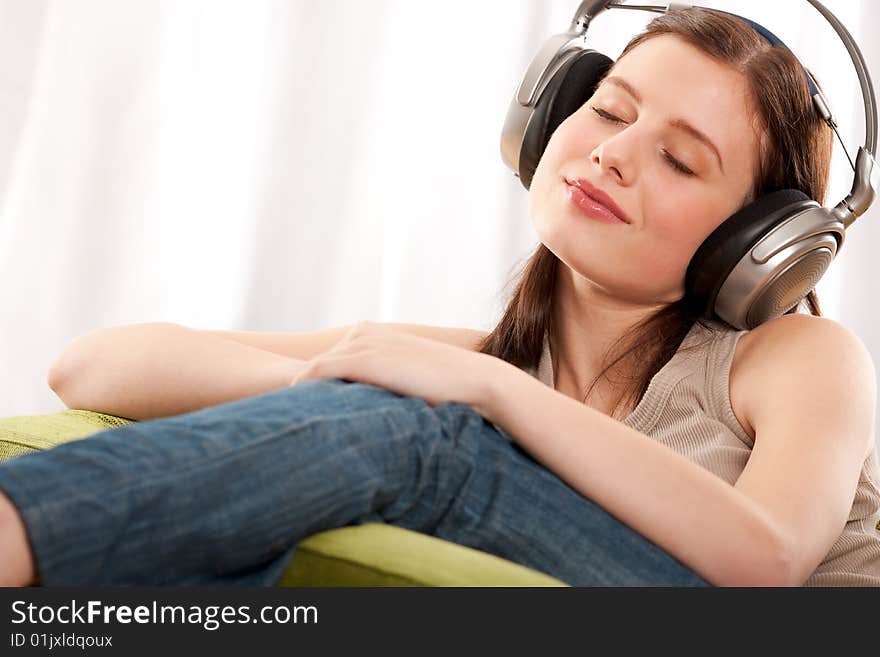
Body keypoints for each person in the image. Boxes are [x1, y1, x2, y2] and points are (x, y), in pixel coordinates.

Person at [1, 7, 878, 587]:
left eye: (682, 160)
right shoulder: (473, 370)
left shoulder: (796, 358)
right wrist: (347, 383)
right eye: (610, 113)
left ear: (760, 245)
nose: (615, 153)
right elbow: (92, 365)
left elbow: (767, 560)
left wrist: (491, 400)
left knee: (434, 443)